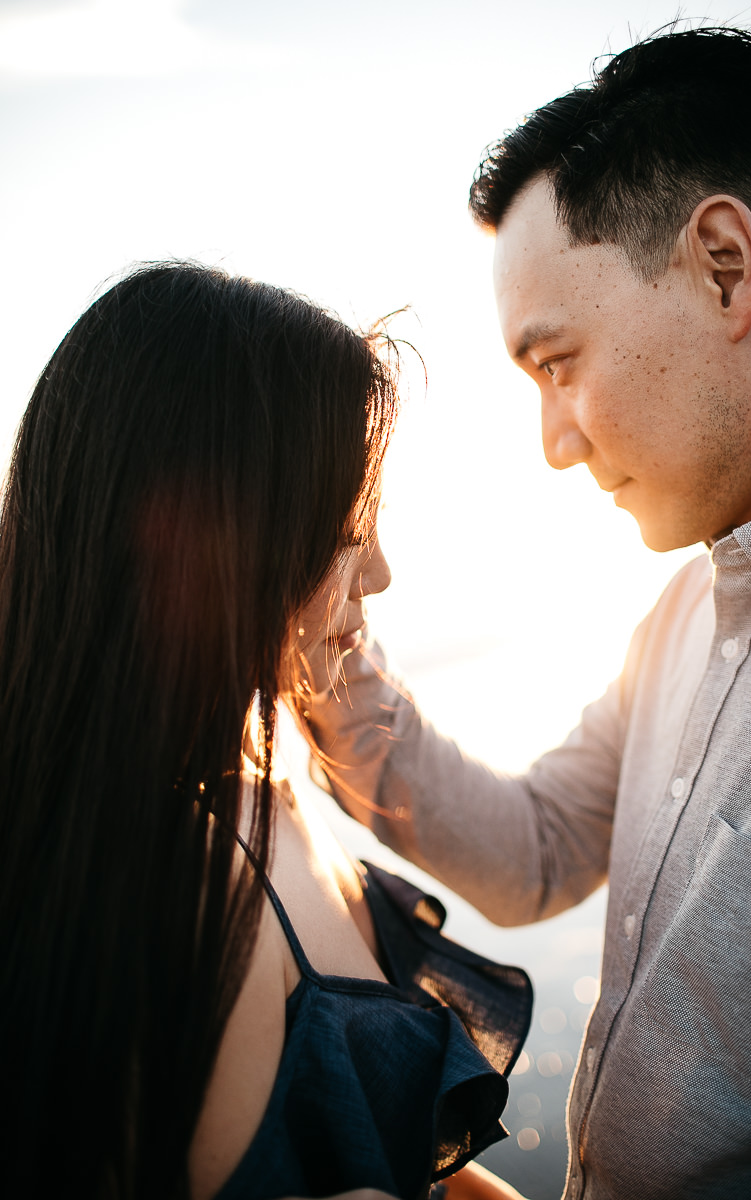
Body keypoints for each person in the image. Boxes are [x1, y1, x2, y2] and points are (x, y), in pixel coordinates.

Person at [300, 26, 751, 1200]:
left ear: (723, 267)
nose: (553, 444)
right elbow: (534, 852)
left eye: (557, 362)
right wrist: (323, 637)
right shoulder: (678, 618)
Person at [0, 263, 532, 1200]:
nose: (380, 572)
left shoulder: (261, 765)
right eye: (350, 526)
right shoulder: (182, 884)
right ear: (226, 543)